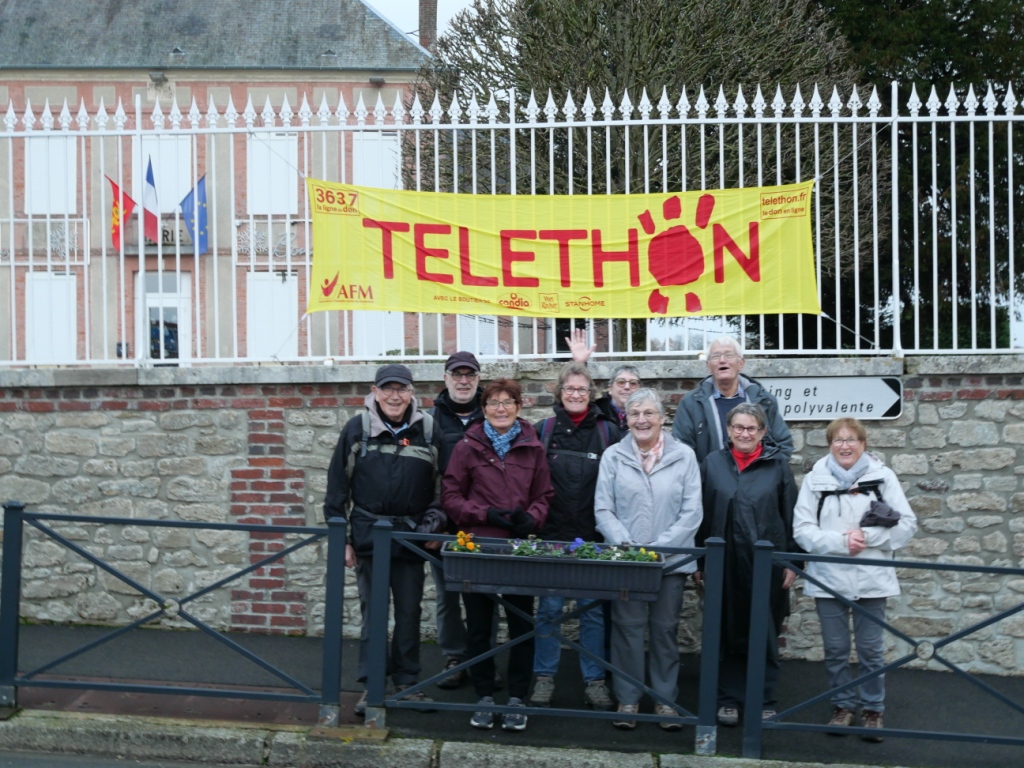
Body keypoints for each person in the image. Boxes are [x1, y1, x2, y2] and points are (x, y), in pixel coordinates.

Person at [323, 364, 446, 716]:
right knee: (373, 615)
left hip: (411, 538)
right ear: (374, 392)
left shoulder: (429, 429)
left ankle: (408, 684)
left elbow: (444, 487)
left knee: (409, 613)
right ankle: (372, 686)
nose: (395, 396)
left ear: (412, 393)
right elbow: (337, 488)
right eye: (387, 389)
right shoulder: (356, 428)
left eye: (401, 389)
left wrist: (434, 524)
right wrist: (341, 538)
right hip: (367, 537)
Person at [793, 417, 917, 742]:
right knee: (835, 648)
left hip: (872, 577)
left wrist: (868, 536)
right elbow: (802, 530)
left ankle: (873, 710)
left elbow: (906, 525)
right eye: (838, 440)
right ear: (829, 444)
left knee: (871, 650)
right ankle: (842, 706)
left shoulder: (883, 477)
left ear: (863, 443)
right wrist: (841, 543)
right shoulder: (814, 480)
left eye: (851, 439)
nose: (844, 446)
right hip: (829, 578)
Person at [441, 378, 554, 732]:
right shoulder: (466, 447)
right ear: (483, 409)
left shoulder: (533, 448)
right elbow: (450, 496)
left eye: (508, 402)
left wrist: (531, 519)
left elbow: (545, 495)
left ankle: (518, 697)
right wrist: (483, 515)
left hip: (519, 549)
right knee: (479, 627)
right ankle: (485, 696)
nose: (501, 408)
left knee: (522, 625)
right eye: (493, 403)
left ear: (519, 407)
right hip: (480, 547)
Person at [594, 388, 702, 731]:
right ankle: (628, 699)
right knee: (626, 630)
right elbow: (603, 509)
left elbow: (692, 513)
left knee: (664, 631)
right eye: (635, 413)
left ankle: (665, 700)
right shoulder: (613, 456)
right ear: (626, 419)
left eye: (649, 413)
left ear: (662, 418)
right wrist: (628, 547)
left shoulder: (684, 456)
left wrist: (659, 549)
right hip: (627, 562)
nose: (642, 420)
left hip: (670, 563)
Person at [696, 403, 799, 727]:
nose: (744, 433)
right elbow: (701, 515)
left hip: (765, 567)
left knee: (765, 631)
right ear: (728, 430)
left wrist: (792, 562)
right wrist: (699, 561)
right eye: (738, 427)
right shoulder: (712, 464)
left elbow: (791, 516)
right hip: (723, 564)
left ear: (763, 433)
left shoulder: (778, 467)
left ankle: (763, 700)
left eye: (751, 428)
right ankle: (727, 700)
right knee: (724, 632)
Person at [529, 362, 622, 712]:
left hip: (593, 536)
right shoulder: (544, 430)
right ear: (559, 392)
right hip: (552, 534)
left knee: (593, 613)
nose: (576, 395)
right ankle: (543, 678)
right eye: (570, 389)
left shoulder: (609, 432)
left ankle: (595, 681)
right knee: (549, 611)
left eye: (582, 390)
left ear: (592, 394)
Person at [429, 351, 484, 690]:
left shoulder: (493, 413)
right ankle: (454, 657)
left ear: (478, 379)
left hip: (483, 523)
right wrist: (433, 524)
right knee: (447, 595)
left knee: (484, 595)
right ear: (446, 378)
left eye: (470, 375)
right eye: (457, 374)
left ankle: (483, 658)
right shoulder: (430, 421)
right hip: (443, 527)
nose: (463, 380)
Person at [671, 335, 793, 462]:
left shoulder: (764, 400)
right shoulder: (691, 403)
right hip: (709, 480)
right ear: (708, 366)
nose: (722, 360)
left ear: (741, 363)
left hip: (757, 480)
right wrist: (704, 477)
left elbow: (783, 445)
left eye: (729, 355)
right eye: (716, 356)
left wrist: (767, 476)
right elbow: (682, 451)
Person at [567, 327, 640, 430]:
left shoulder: (645, 415)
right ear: (610, 389)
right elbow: (568, 406)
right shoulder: (595, 411)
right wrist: (579, 363)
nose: (627, 387)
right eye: (621, 382)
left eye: (633, 383)